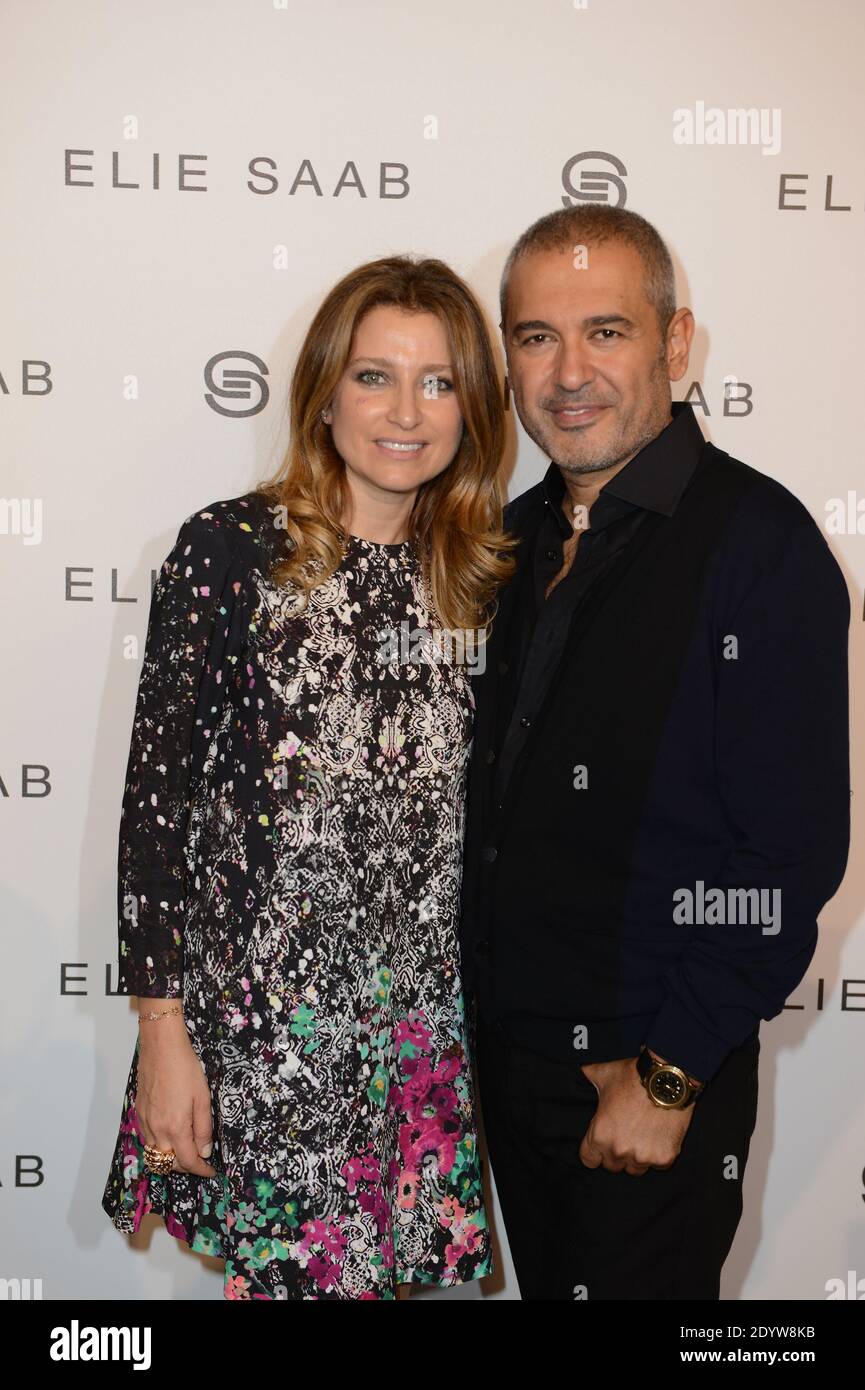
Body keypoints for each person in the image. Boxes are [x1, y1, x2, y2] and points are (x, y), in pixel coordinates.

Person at [101, 253, 518, 1300]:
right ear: (324, 389)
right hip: (262, 1035)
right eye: (376, 375)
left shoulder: (483, 576)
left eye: (437, 382)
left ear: (471, 408)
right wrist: (164, 1037)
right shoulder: (229, 554)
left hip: (417, 1030)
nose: (406, 412)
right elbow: (156, 817)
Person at [460, 205, 851, 1300]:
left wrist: (669, 1077)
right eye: (536, 337)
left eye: (606, 331)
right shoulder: (510, 540)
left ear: (676, 347)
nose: (568, 371)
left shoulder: (758, 547)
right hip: (511, 1064)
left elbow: (787, 854)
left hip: (643, 1074)